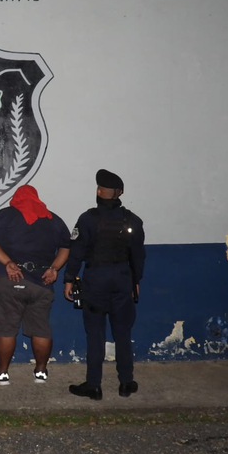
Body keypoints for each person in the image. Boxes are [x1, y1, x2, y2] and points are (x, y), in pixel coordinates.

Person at [63, 169, 146, 400]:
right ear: (120, 193)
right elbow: (138, 255)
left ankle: (94, 385)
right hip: (123, 279)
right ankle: (126, 383)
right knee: (122, 333)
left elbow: (76, 252)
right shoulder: (133, 220)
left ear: (99, 191)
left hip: (96, 280)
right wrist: (135, 281)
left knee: (95, 335)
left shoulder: (87, 219)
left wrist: (69, 279)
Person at [0, 185, 71, 386]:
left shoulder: (3, 216)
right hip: (42, 283)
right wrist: (54, 268)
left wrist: (8, 263)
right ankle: (41, 372)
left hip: (10, 280)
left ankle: (2, 373)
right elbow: (66, 247)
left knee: (6, 329)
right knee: (41, 330)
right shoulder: (53, 219)